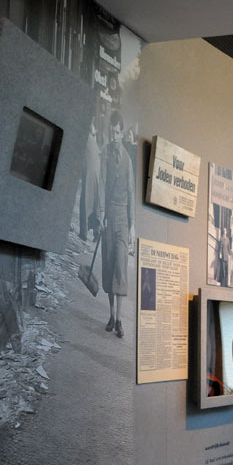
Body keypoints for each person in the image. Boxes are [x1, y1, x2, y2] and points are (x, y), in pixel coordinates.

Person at [98, 110, 135, 338]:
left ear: (123, 133)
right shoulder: (104, 155)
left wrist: (132, 225)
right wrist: (101, 213)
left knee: (121, 268)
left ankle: (120, 320)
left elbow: (131, 193)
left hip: (122, 218)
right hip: (109, 216)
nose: (114, 135)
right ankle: (111, 315)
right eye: (112, 132)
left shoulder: (128, 161)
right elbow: (101, 184)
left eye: (118, 132)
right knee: (110, 266)